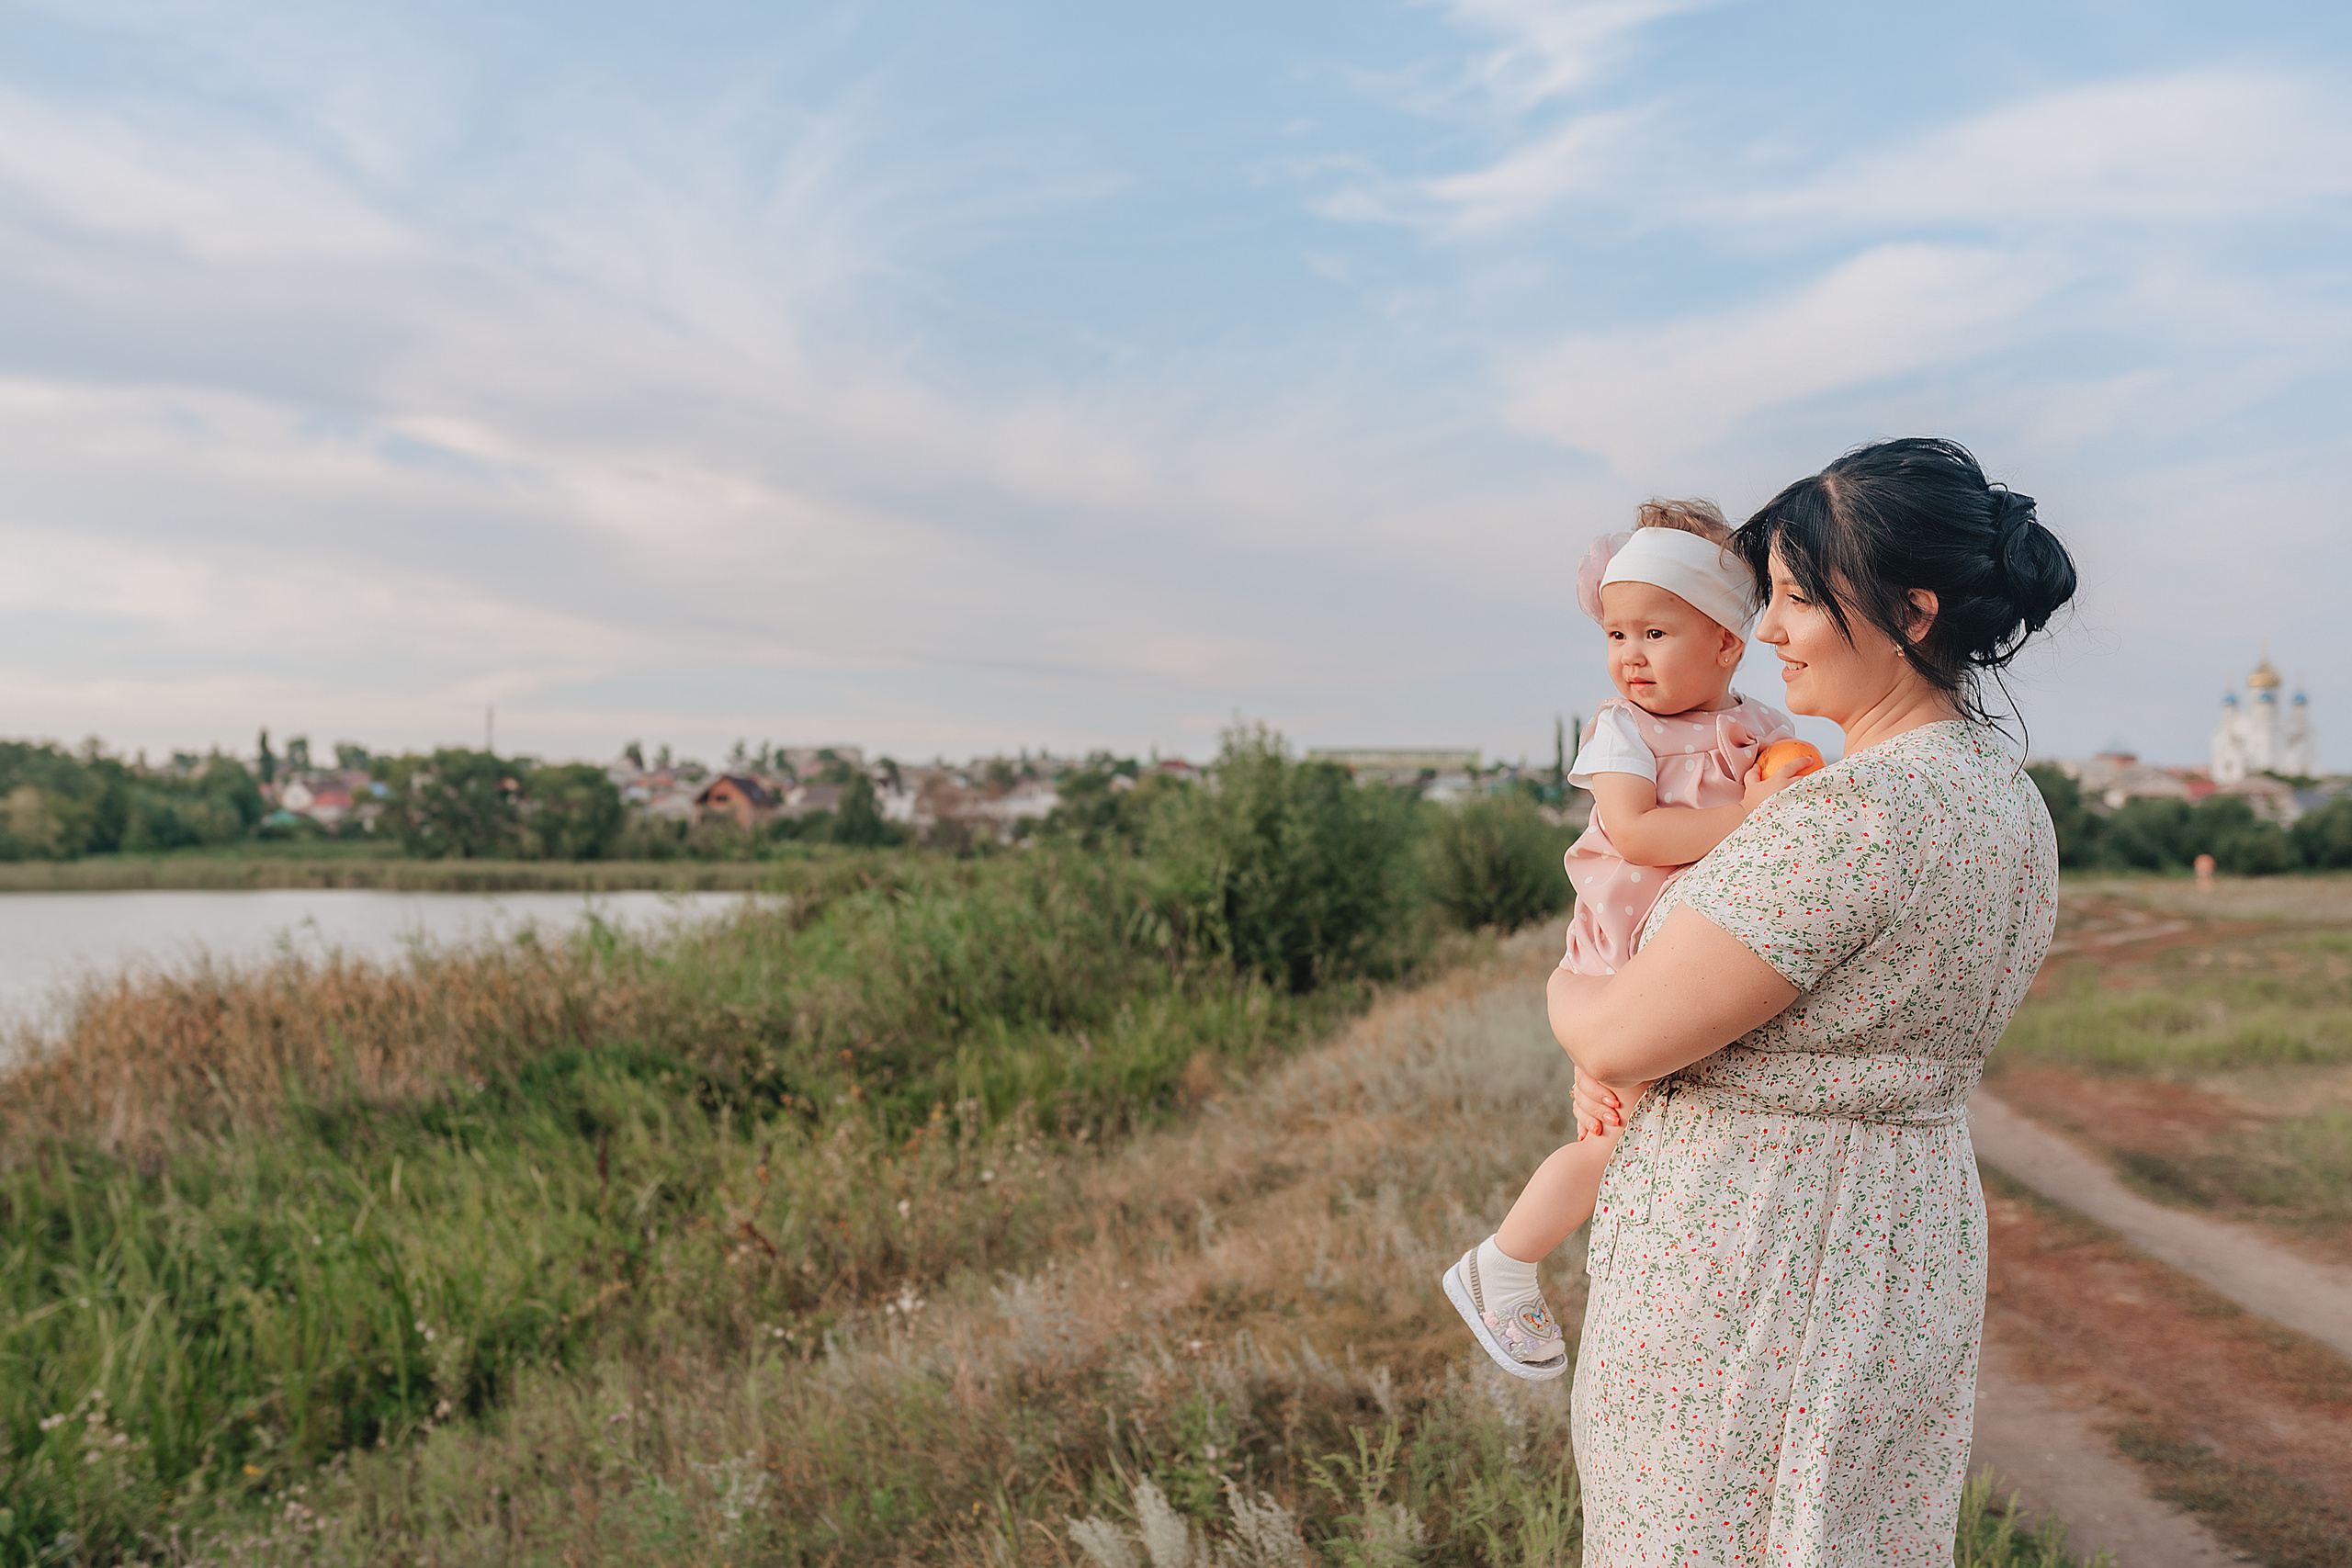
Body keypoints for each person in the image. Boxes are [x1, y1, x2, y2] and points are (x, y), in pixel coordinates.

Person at [1555, 437, 2077, 1562]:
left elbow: (1612, 1031)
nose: (1769, 633)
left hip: (1755, 1258)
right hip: (1904, 1236)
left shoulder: (1849, 817)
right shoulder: (2003, 796)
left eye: (1795, 600)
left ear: (1912, 611)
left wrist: (1566, 982)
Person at [1442, 500, 1809, 1381]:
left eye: (1655, 632)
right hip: (1612, 959)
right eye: (1616, 634)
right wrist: (1751, 815)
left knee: (1645, 1132)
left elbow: (1794, 812)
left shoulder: (1762, 731)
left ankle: (1602, 1273)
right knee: (1619, 1138)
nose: (1629, 656)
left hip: (1683, 958)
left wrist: (1784, 787)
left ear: (1728, 641)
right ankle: (1504, 1260)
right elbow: (1639, 835)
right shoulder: (1621, 730)